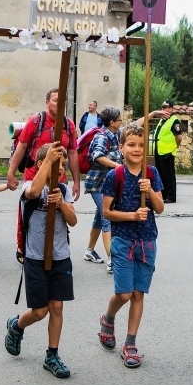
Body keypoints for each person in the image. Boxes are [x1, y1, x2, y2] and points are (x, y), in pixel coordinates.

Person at [4, 142, 77, 379]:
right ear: (40, 164)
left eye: (62, 165)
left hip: (60, 257)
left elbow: (73, 220)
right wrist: (48, 162)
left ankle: (52, 355)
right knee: (39, 311)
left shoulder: (63, 190)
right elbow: (33, 193)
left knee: (56, 307)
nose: (61, 169)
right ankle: (17, 325)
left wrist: (62, 204)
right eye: (56, 164)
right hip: (35, 257)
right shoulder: (29, 186)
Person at [97, 124, 164, 368]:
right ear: (121, 148)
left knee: (138, 293)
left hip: (147, 241)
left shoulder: (151, 173)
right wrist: (132, 216)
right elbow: (107, 212)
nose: (137, 149)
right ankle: (108, 317)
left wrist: (150, 191)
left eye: (141, 145)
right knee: (124, 293)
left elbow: (160, 208)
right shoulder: (114, 176)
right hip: (123, 240)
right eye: (132, 145)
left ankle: (130, 344)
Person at [7, 88, 80, 200]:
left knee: (60, 209)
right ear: (47, 103)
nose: (59, 104)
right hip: (34, 177)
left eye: (62, 101)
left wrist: (76, 182)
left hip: (59, 179)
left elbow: (72, 153)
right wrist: (11, 173)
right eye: (55, 100)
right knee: (34, 208)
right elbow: (21, 147)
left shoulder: (69, 124)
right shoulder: (35, 121)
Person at [83, 107, 123, 270]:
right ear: (112, 122)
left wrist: (152, 114)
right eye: (119, 120)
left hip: (108, 184)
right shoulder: (101, 136)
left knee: (99, 218)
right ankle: (112, 260)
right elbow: (98, 156)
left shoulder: (116, 133)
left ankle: (89, 251)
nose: (122, 122)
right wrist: (117, 166)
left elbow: (135, 125)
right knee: (108, 218)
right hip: (98, 184)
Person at [152, 100, 182, 204]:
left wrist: (175, 146)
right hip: (159, 150)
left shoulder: (174, 120)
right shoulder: (162, 120)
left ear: (171, 109)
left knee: (168, 174)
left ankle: (171, 196)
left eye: (166, 107)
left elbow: (179, 137)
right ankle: (163, 195)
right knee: (160, 174)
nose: (163, 109)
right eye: (162, 107)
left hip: (168, 151)